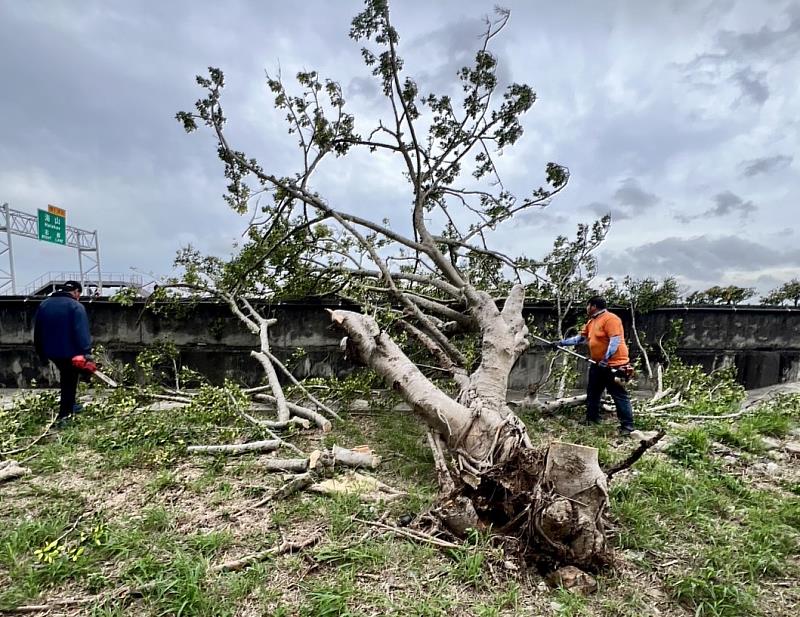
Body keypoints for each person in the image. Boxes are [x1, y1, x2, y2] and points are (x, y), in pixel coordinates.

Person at [555, 296, 635, 436]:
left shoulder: (611, 319)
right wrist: (561, 343)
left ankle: (627, 427)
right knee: (593, 393)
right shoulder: (592, 322)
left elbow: (614, 341)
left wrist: (606, 358)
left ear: (593, 306)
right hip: (598, 365)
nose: (587, 309)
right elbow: (579, 339)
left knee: (619, 395)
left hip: (614, 365)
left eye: (587, 306)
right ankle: (592, 420)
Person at [33, 280, 93, 423]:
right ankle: (64, 415)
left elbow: (37, 332)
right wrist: (87, 353)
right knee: (69, 380)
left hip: (50, 351)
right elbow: (81, 332)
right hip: (70, 352)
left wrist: (41, 353)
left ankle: (70, 405)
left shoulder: (44, 304)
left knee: (67, 378)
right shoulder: (76, 306)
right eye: (79, 294)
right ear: (76, 292)